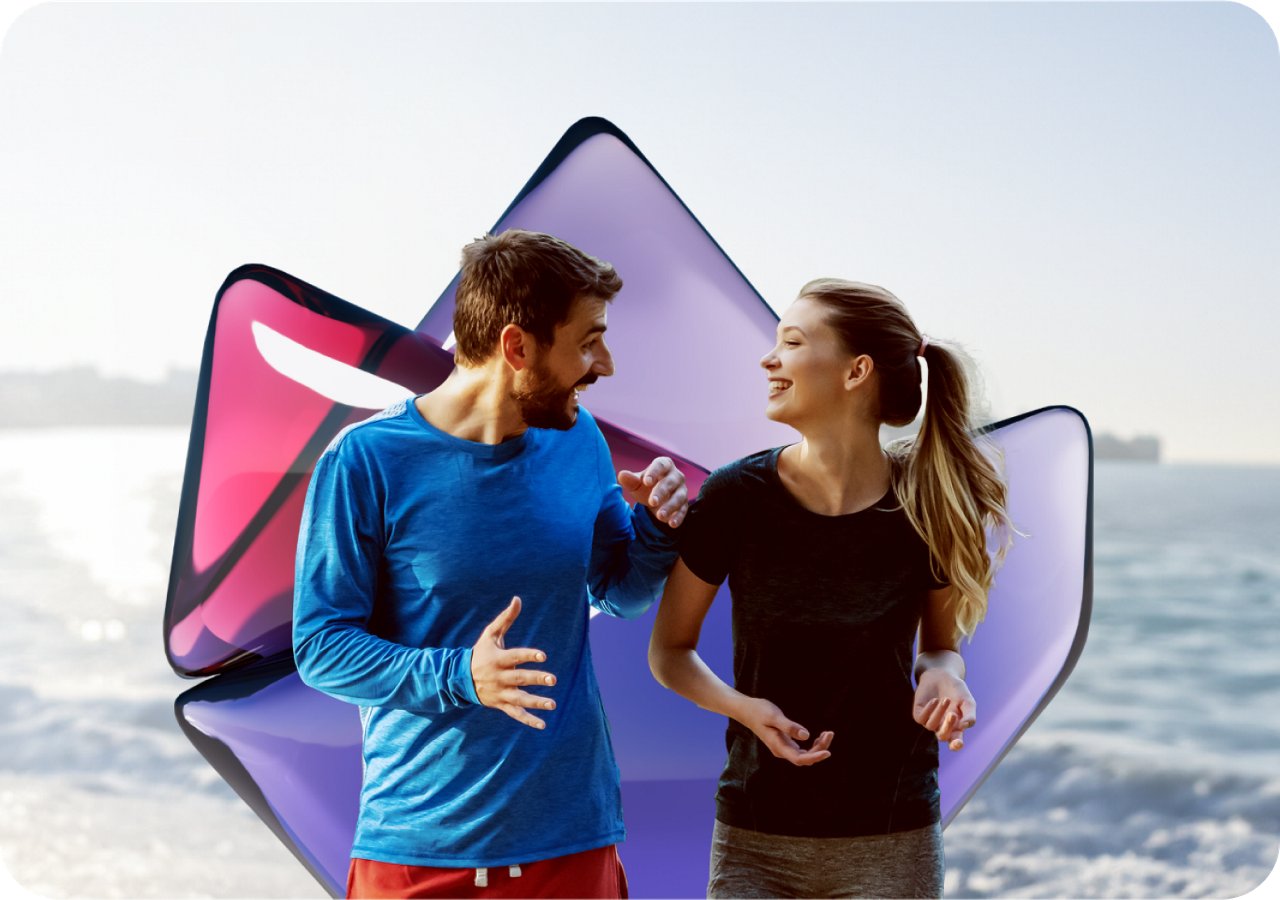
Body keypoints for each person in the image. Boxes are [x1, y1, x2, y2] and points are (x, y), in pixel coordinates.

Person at [294, 229, 688, 899]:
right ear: (516, 346)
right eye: (587, 341)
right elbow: (321, 647)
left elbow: (619, 589)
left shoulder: (578, 439)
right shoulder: (364, 461)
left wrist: (656, 526)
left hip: (572, 843)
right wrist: (461, 674)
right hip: (419, 855)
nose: (606, 365)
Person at [648, 278, 1012, 899]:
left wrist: (944, 676)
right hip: (755, 835)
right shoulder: (737, 497)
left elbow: (939, 647)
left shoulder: (924, 504)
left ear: (856, 371)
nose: (769, 359)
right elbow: (670, 652)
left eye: (791, 342)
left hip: (893, 836)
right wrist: (745, 710)